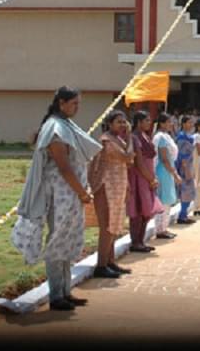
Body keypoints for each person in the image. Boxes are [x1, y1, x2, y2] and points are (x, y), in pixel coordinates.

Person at [11, 86, 101, 311]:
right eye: (74, 104)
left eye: (78, 103)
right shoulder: (54, 128)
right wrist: (81, 191)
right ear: (61, 102)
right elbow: (63, 166)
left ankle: (65, 292)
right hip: (60, 194)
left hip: (71, 194)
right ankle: (56, 296)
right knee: (57, 240)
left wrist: (81, 191)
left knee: (68, 241)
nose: (77, 108)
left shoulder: (66, 125)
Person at [89, 110, 136, 278]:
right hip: (105, 187)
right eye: (119, 122)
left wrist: (127, 186)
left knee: (115, 225)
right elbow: (128, 157)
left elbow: (127, 164)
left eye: (124, 122)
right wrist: (130, 136)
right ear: (109, 124)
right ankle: (101, 265)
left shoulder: (118, 140)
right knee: (107, 227)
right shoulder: (107, 141)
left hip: (118, 186)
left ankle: (110, 262)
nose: (122, 125)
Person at [127, 110, 161, 252]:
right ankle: (135, 242)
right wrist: (150, 178)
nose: (149, 123)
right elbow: (139, 162)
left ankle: (141, 240)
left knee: (146, 211)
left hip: (148, 176)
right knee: (139, 209)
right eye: (146, 120)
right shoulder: (134, 138)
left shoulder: (145, 136)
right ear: (138, 122)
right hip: (139, 177)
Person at [153, 112, 179, 240]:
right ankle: (160, 230)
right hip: (163, 171)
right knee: (163, 200)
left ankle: (164, 228)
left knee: (167, 201)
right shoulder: (161, 138)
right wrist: (175, 174)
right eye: (169, 122)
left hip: (167, 170)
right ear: (162, 123)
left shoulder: (166, 136)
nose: (171, 124)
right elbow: (164, 158)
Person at [175, 116, 197, 225]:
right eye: (189, 122)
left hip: (190, 164)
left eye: (192, 123)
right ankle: (182, 216)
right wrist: (184, 166)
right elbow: (181, 153)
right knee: (185, 191)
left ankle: (184, 214)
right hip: (184, 166)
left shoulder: (189, 135)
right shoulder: (181, 136)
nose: (191, 125)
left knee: (189, 191)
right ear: (183, 124)